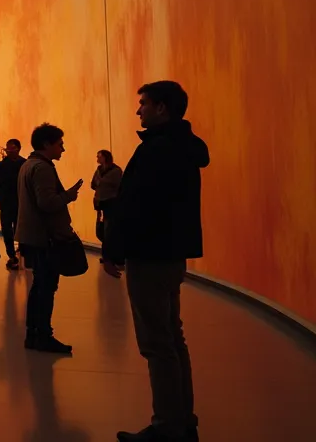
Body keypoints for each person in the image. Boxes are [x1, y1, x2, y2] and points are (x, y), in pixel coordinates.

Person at [103, 81, 208, 442]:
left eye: (143, 103)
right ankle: (183, 421)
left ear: (162, 108)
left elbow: (136, 207)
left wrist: (113, 249)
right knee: (172, 339)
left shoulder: (156, 151)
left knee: (156, 343)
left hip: (149, 256)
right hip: (171, 254)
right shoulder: (184, 149)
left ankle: (166, 426)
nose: (138, 110)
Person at [16, 123, 83, 354]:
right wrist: (69, 196)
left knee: (39, 286)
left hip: (34, 237)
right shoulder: (42, 168)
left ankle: (33, 334)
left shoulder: (28, 165)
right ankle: (43, 335)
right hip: (45, 239)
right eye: (60, 144)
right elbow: (46, 203)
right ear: (47, 144)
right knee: (46, 288)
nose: (62, 149)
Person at [0, 138, 27, 270]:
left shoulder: (24, 164)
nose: (9, 150)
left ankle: (21, 251)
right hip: (6, 203)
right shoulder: (2, 165)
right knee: (7, 230)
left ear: (18, 148)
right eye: (8, 148)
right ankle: (12, 255)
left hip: (19, 203)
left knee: (19, 228)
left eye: (12, 148)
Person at [91, 149, 123, 245]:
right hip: (99, 202)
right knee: (100, 229)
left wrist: (102, 184)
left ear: (105, 157)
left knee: (109, 229)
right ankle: (106, 251)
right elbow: (93, 184)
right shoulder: (99, 170)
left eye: (99, 156)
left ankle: (109, 253)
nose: (97, 158)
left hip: (110, 202)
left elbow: (119, 186)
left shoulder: (116, 171)